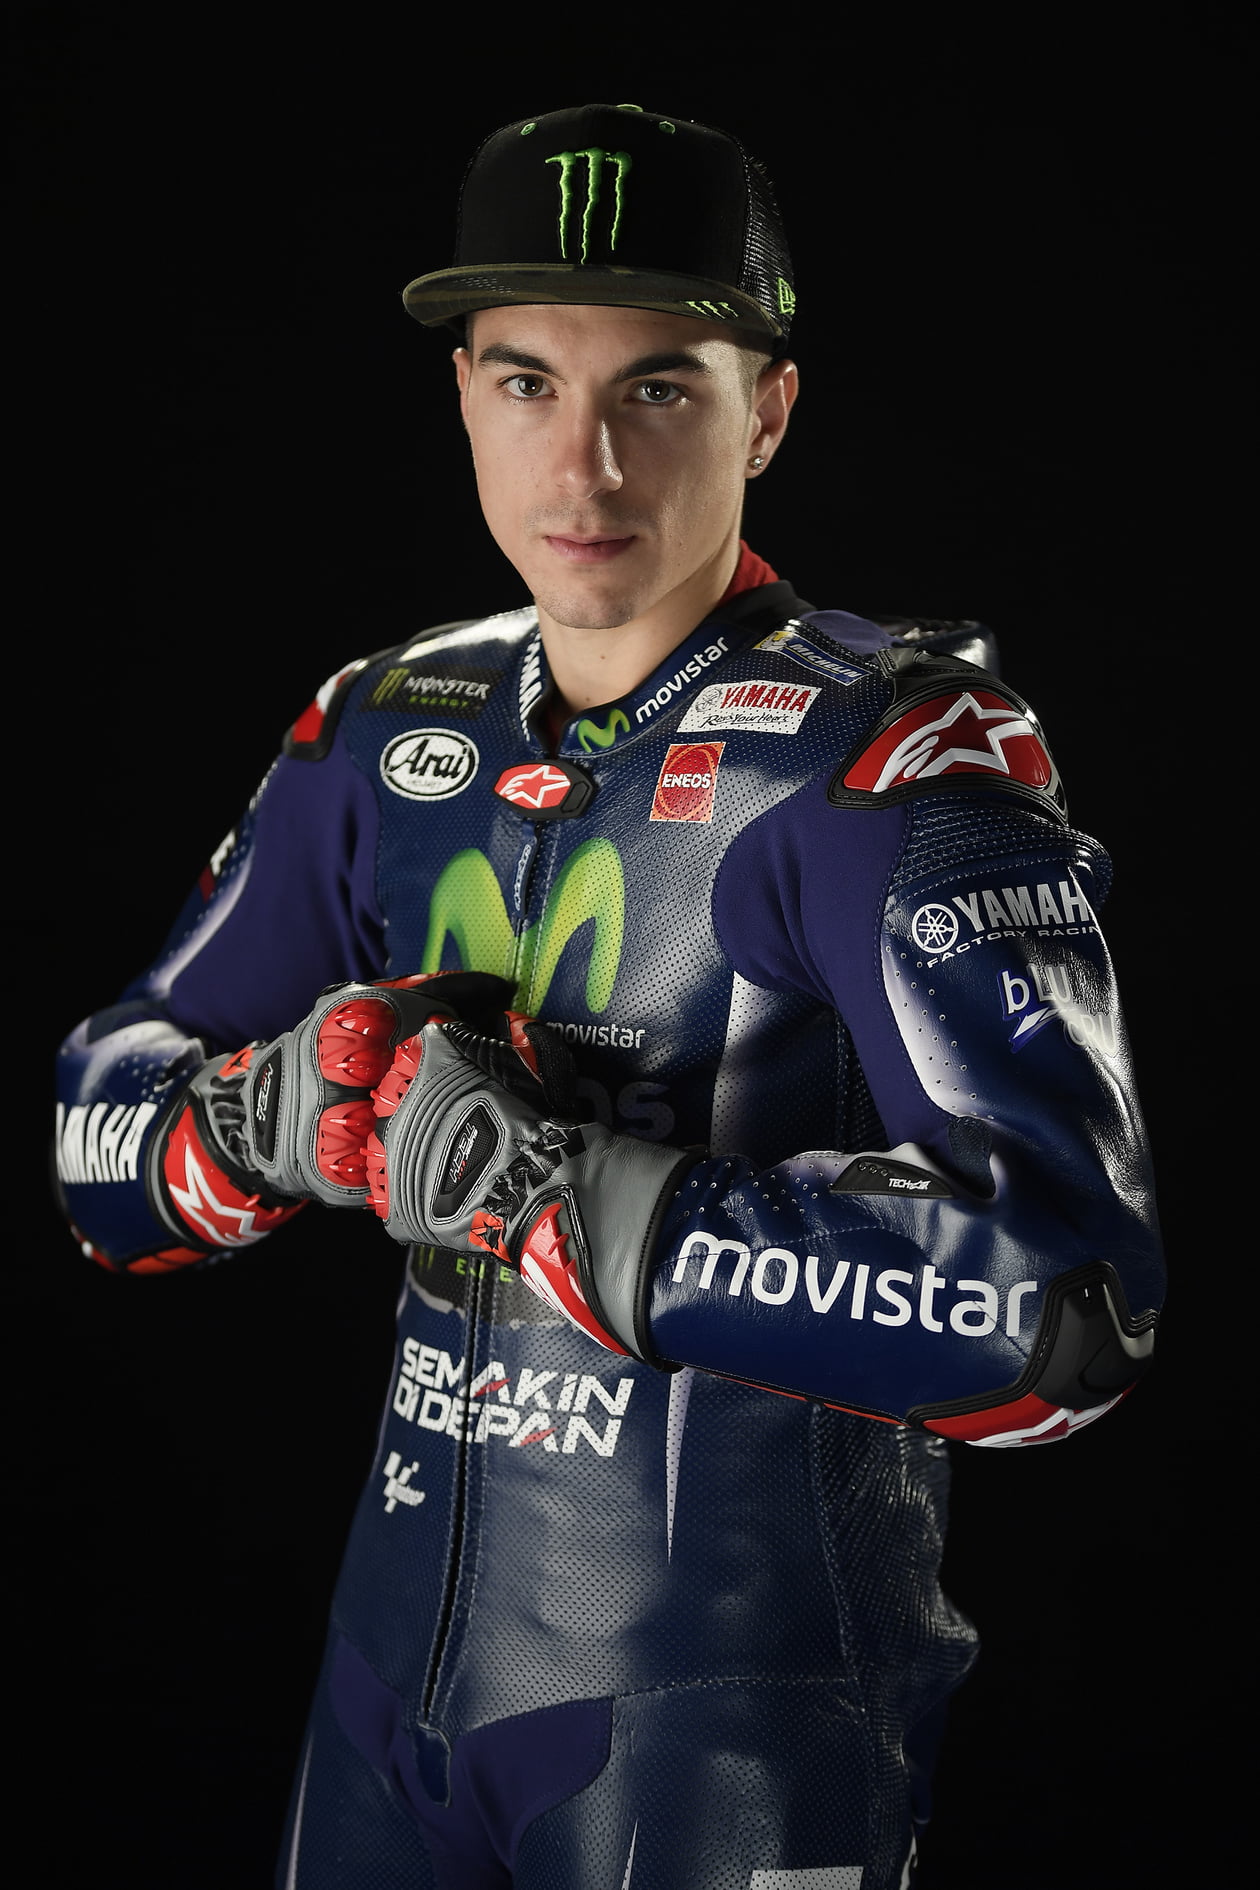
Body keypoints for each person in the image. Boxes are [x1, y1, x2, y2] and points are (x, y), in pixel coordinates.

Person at [52, 102, 1165, 1890]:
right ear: (463, 398)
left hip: (731, 1719)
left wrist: (576, 1205)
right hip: (387, 1690)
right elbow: (89, 1135)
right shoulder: (386, 723)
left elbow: (1066, 1308)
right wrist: (259, 1120)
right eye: (526, 384)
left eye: (657, 387)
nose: (583, 467)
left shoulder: (890, 755)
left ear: (768, 411)